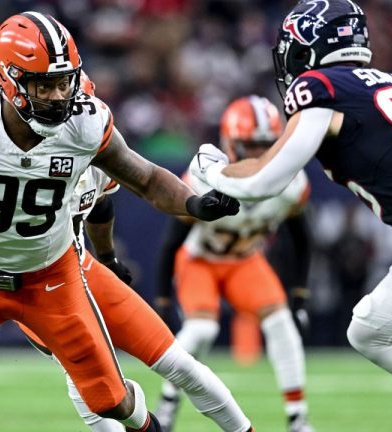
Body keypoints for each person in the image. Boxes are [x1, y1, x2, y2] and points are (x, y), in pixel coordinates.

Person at [0, 12, 241, 432]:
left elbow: (145, 178)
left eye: (63, 82)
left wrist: (196, 205)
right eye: (43, 84)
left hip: (53, 279)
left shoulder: (84, 123)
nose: (57, 95)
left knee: (111, 402)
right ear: (9, 80)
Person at [190, 0, 392, 400]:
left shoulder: (319, 87)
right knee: (371, 329)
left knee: (373, 333)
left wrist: (211, 170)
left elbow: (262, 181)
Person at [154, 96, 314, 432]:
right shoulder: (204, 177)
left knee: (282, 322)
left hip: (245, 261)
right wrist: (163, 299)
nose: (257, 155)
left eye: (265, 145)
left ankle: (298, 417)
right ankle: (168, 402)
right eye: (250, 145)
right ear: (230, 143)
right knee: (202, 328)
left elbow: (301, 238)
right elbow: (172, 242)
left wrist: (299, 294)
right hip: (201, 261)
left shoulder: (291, 184)